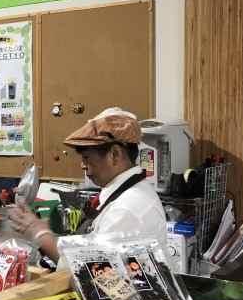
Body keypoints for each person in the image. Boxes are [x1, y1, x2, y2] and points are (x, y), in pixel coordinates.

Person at [9, 107, 166, 263]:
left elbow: (91, 266)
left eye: (87, 158)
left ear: (115, 154)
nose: (83, 166)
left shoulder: (128, 207)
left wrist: (39, 233)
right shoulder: (123, 193)